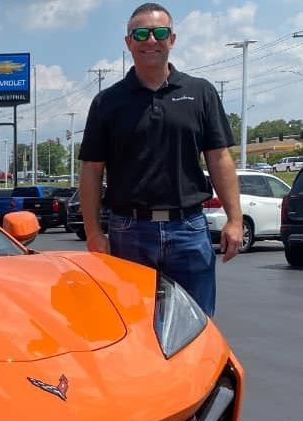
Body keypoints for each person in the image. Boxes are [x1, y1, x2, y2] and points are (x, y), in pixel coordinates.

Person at [78, 2, 242, 317]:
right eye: (140, 34)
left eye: (159, 32)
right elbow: (91, 170)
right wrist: (94, 232)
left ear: (172, 38)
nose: (150, 40)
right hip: (129, 232)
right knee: (133, 327)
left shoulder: (200, 92)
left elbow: (219, 158)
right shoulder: (107, 102)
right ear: (128, 43)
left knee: (196, 325)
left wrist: (234, 220)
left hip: (189, 229)